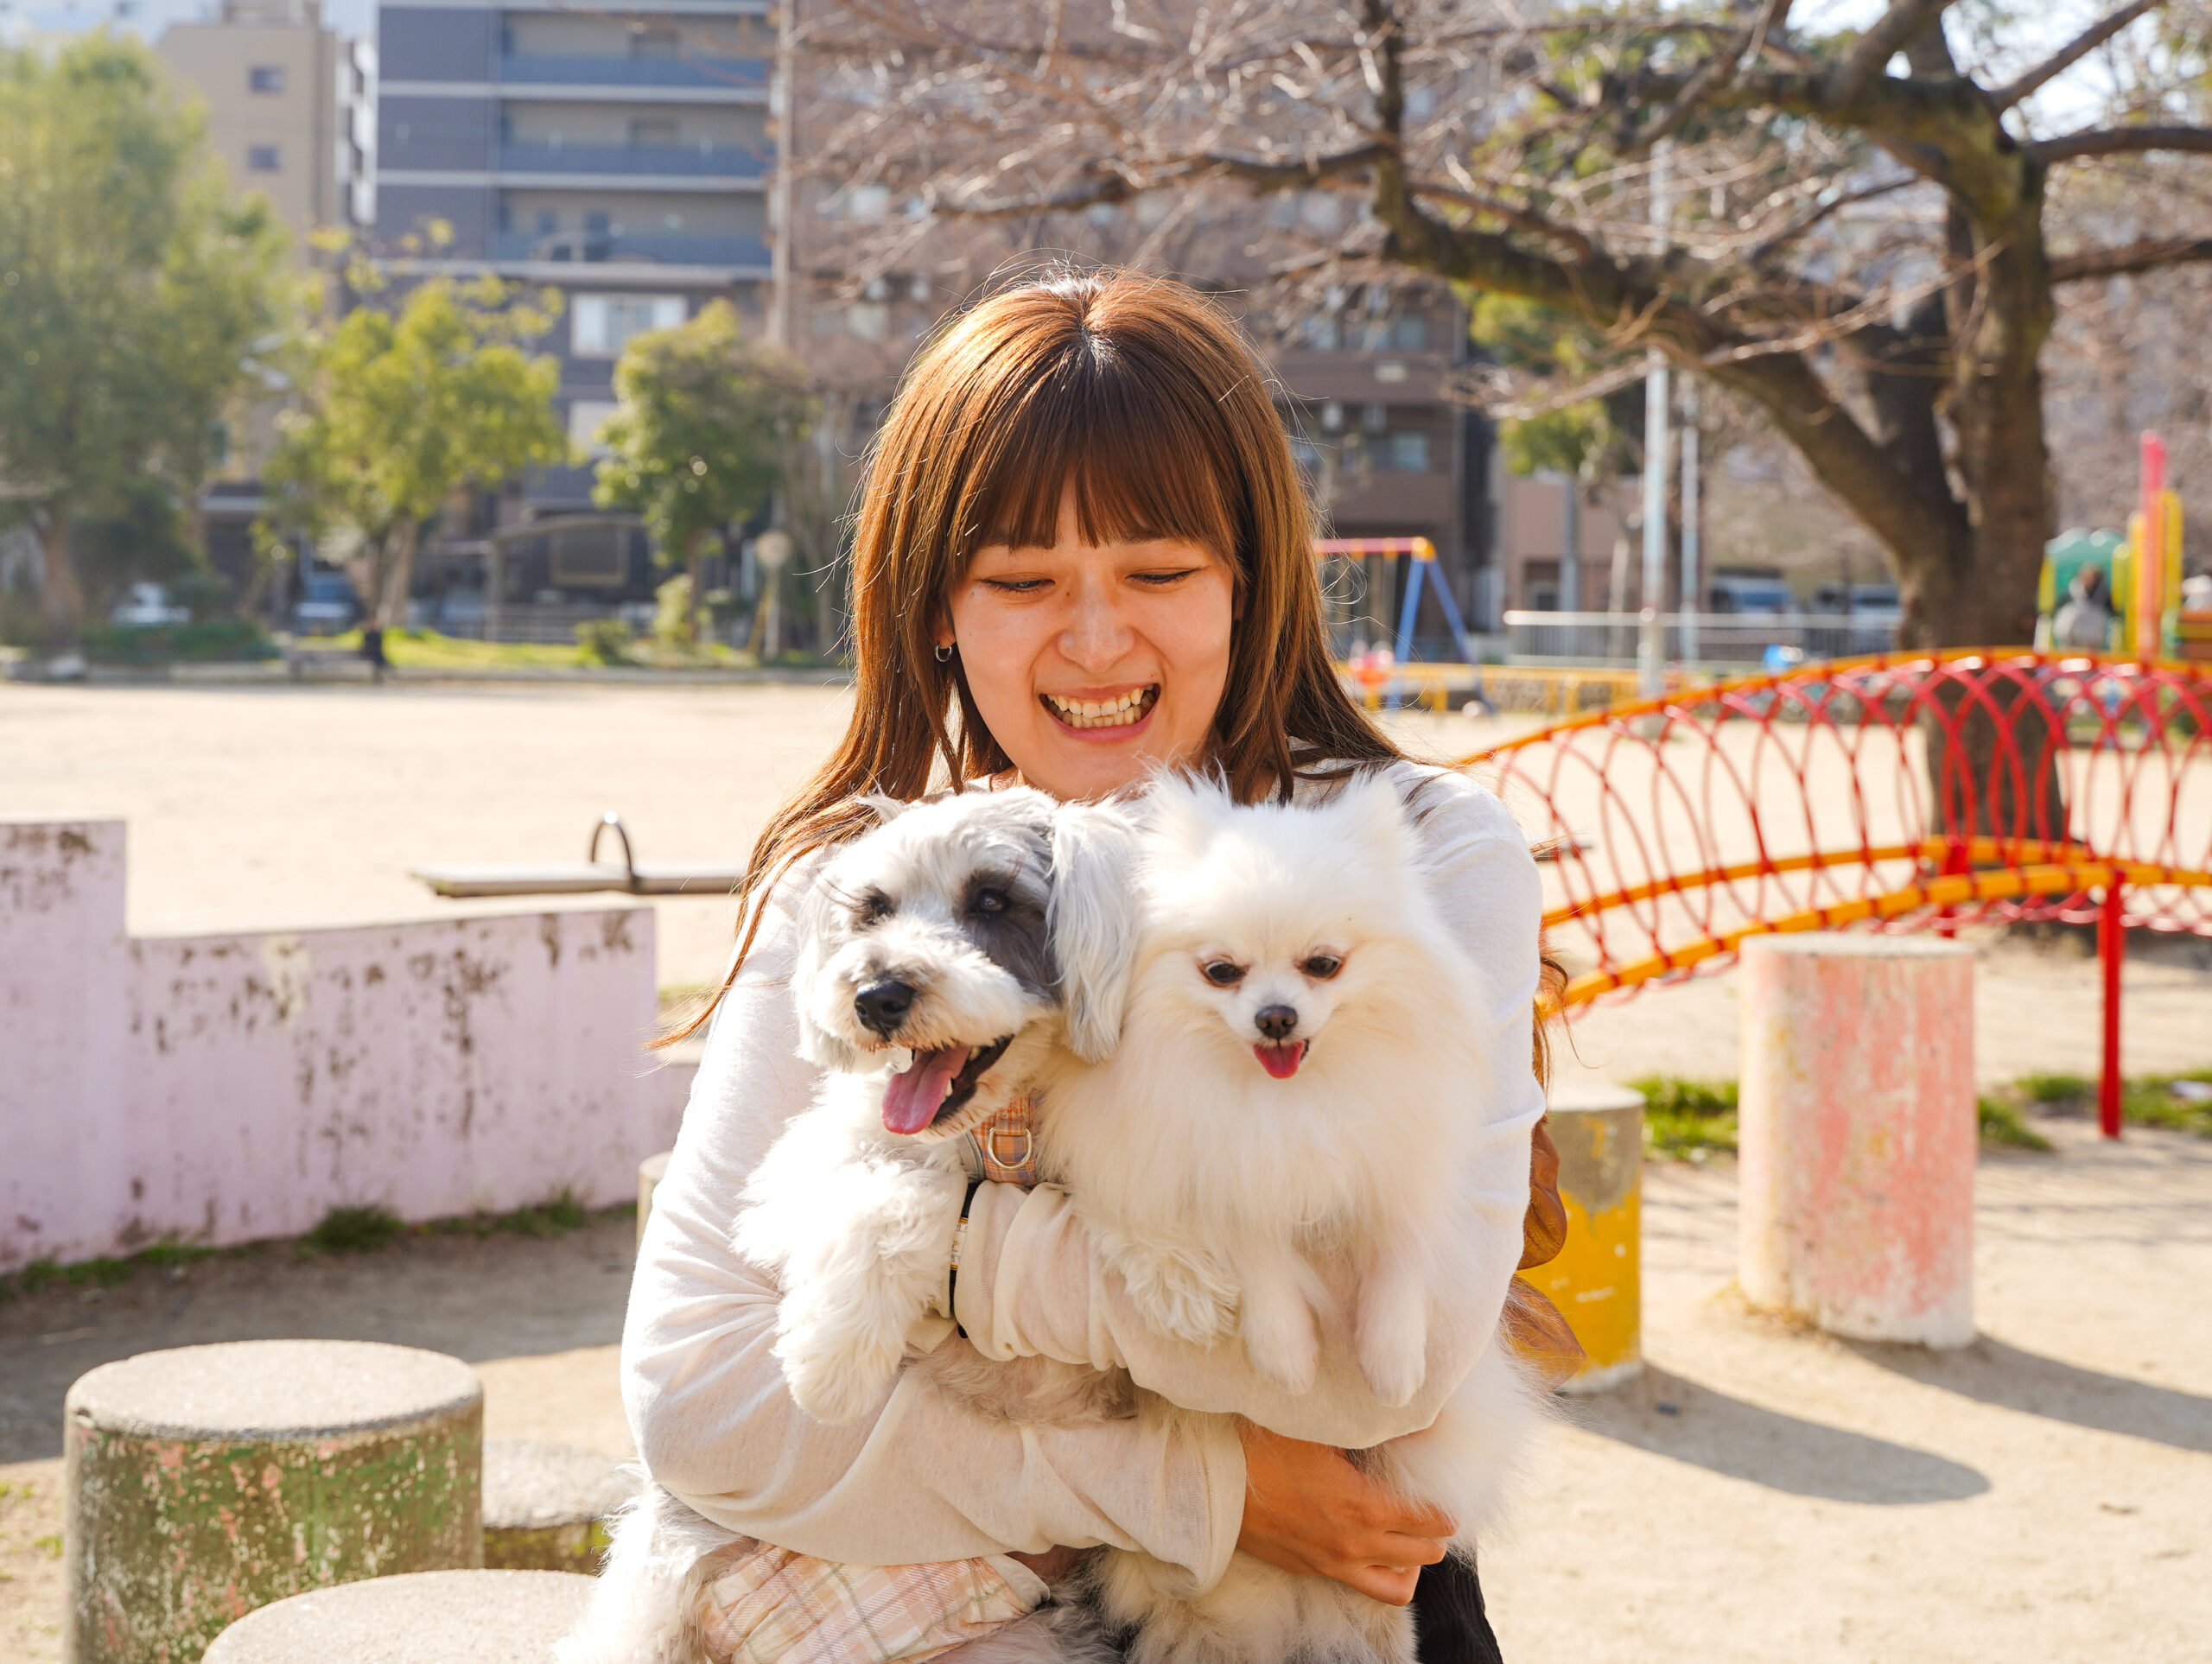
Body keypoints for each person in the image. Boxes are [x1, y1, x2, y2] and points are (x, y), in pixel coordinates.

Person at [626, 269, 1568, 1664]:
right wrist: (1201, 1487)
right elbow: (700, 1404)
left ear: (1250, 578)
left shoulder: (1421, 849)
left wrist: (950, 1257)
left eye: (1159, 571)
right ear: (936, 606)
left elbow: (1388, 1371)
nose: (1094, 637)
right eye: (1022, 581)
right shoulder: (860, 895)